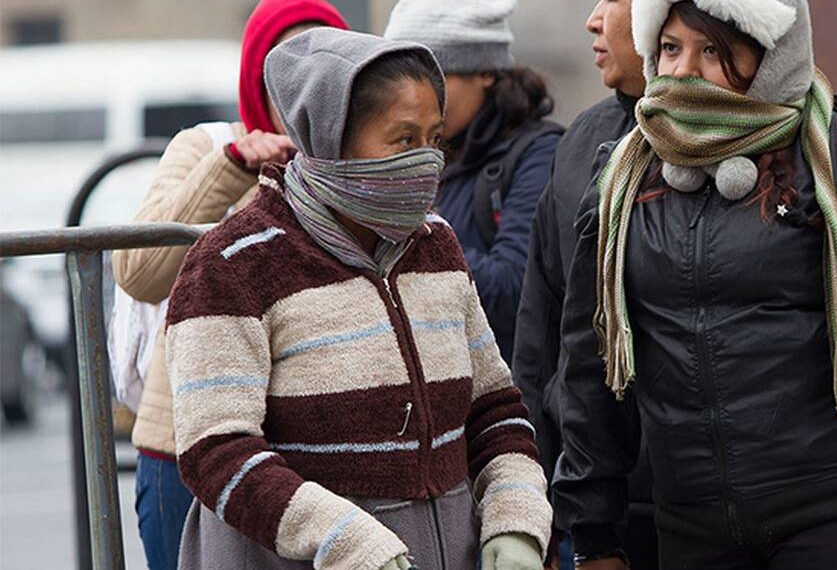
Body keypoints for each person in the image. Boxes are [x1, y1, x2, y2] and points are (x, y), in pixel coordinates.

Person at [552, 1, 837, 569]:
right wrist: (595, 532)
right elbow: (589, 367)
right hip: (694, 528)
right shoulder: (623, 181)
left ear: (771, 59)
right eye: (671, 48)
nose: (683, 72)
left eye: (712, 52)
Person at [165, 28, 551, 570]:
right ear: (330, 141)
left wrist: (516, 521)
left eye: (434, 139)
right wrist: (347, 542)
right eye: (402, 141)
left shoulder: (435, 246)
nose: (426, 163)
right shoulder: (234, 263)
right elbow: (217, 451)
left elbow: (494, 409)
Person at [110, 2, 347, 568]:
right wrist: (233, 167)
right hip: (187, 453)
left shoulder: (361, 164)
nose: (303, 79)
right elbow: (138, 273)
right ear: (254, 74)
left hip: (318, 457)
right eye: (285, 62)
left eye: (325, 62)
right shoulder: (206, 147)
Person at [509, 1, 657, 568]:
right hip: (596, 500)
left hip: (711, 505)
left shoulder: (754, 151)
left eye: (611, 2)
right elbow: (540, 333)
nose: (592, 21)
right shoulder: (581, 144)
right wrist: (534, 493)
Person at [384, 0, 561, 364]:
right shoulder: (423, 151)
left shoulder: (540, 154)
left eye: (434, 81)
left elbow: (513, 291)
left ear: (485, 71)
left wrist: (405, 220)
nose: (415, 102)